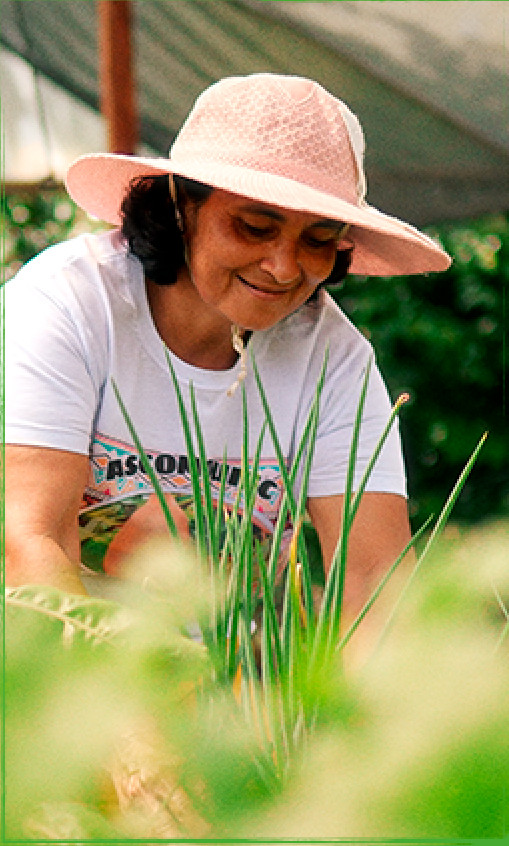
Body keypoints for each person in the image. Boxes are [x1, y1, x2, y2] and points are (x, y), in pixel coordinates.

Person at [4, 73, 451, 612]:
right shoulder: (69, 302)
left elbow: (375, 579)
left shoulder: (333, 356)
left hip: (236, 682)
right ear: (180, 203)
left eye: (317, 239)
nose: (284, 267)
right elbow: (30, 541)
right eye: (254, 227)